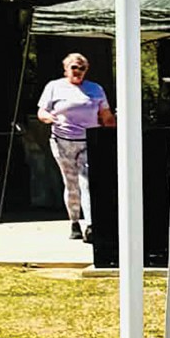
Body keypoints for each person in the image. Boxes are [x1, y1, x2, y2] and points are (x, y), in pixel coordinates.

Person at [38, 52, 116, 241]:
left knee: (87, 181)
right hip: (62, 140)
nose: (78, 72)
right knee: (71, 183)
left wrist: (115, 125)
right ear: (66, 69)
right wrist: (48, 118)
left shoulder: (95, 89)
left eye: (82, 68)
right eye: (74, 67)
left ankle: (90, 224)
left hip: (88, 140)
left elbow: (106, 115)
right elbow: (42, 111)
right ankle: (74, 222)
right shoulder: (54, 87)